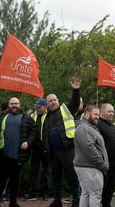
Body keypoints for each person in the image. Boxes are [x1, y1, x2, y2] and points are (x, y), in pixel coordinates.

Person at [42, 77, 81, 207]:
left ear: (58, 100)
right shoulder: (45, 117)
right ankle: (57, 201)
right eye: (50, 101)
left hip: (68, 148)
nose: (53, 102)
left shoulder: (66, 109)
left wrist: (76, 90)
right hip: (53, 152)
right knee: (56, 177)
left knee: (71, 176)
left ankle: (76, 200)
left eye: (54, 100)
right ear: (47, 104)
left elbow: (75, 103)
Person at [0, 97, 37, 207]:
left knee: (15, 180)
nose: (14, 105)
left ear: (20, 105)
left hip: (19, 155)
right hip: (3, 154)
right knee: (1, 179)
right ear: (8, 105)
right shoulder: (1, 117)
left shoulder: (26, 118)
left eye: (16, 103)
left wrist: (28, 142)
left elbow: (34, 131)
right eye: (12, 103)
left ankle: (13, 202)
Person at [74, 105, 109, 207]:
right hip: (91, 167)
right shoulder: (84, 128)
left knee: (86, 194)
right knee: (95, 195)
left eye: (98, 114)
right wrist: (102, 165)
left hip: (88, 167)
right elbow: (89, 149)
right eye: (95, 114)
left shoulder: (88, 127)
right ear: (87, 114)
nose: (97, 117)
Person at [97, 103, 115, 207]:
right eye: (109, 111)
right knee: (103, 186)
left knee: (111, 187)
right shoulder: (98, 124)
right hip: (105, 163)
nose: (112, 114)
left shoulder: (112, 125)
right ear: (102, 111)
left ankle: (107, 204)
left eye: (113, 111)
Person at [25, 98, 51, 201]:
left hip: (47, 148)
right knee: (34, 171)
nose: (37, 109)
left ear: (45, 107)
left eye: (39, 107)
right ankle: (33, 192)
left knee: (47, 171)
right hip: (35, 148)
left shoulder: (50, 116)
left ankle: (46, 193)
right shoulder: (33, 116)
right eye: (36, 107)